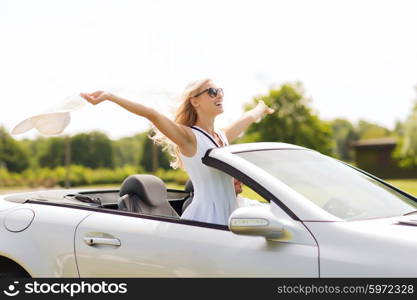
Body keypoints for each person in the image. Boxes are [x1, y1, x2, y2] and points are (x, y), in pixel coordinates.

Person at [80, 79, 273, 225]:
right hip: (207, 219)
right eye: (212, 92)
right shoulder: (188, 137)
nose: (219, 95)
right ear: (195, 102)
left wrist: (261, 108)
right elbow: (152, 114)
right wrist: (110, 97)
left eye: (220, 91)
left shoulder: (221, 136)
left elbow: (247, 118)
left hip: (232, 212)